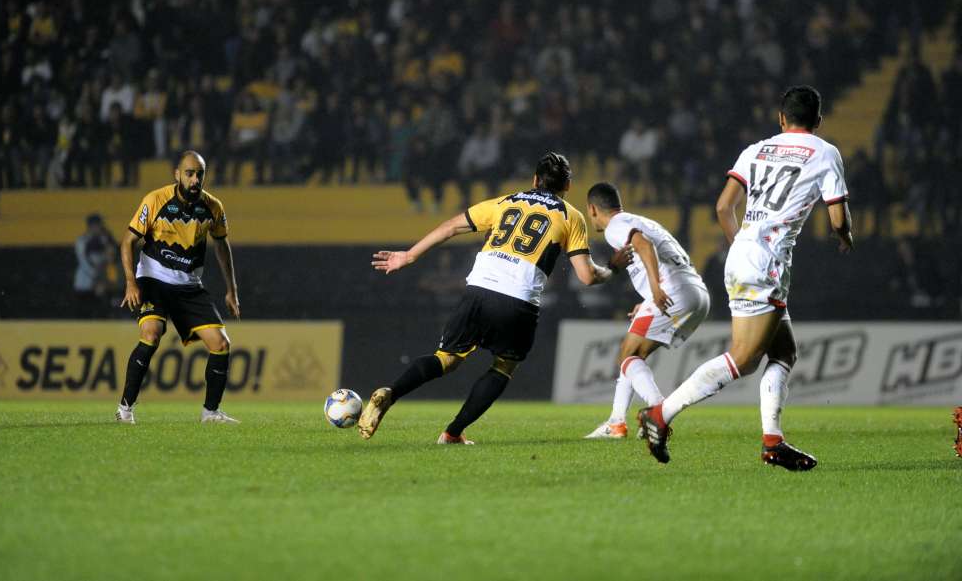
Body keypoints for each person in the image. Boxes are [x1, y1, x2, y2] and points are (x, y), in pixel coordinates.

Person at [637, 86, 852, 470]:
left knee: (784, 352)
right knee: (744, 358)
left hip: (743, 254)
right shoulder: (825, 152)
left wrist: (743, 247)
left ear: (781, 118)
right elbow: (837, 218)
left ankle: (773, 441)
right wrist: (845, 237)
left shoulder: (756, 149)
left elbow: (723, 206)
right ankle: (660, 414)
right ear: (818, 121)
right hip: (765, 262)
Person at [359, 152, 631, 444]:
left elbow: (450, 226)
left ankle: (392, 392)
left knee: (446, 358)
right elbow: (587, 277)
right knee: (503, 365)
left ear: (535, 180)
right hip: (519, 299)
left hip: (479, 288)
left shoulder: (505, 203)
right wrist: (613, 269)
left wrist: (409, 255)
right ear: (567, 187)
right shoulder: (570, 216)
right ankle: (452, 433)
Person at [116, 150, 242, 424]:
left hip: (189, 285)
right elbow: (127, 241)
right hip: (153, 279)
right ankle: (125, 408)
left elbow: (222, 245)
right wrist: (130, 282)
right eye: (189, 173)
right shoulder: (156, 200)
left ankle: (210, 413)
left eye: (200, 174)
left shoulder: (213, 207)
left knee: (221, 344)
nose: (195, 179)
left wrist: (231, 289)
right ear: (177, 174)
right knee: (151, 333)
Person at [582, 182, 710, 439]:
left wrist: (656, 286)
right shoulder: (643, 220)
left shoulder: (616, 226)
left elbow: (642, 245)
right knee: (631, 357)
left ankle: (658, 413)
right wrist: (651, 295)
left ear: (592, 209)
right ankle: (616, 423)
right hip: (696, 292)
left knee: (627, 356)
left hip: (672, 292)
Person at [73, 213, 116, 317]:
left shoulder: (104, 239)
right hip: (85, 284)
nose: (98, 228)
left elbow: (111, 259)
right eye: (95, 225)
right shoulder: (82, 241)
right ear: (90, 226)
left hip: (102, 283)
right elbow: (84, 262)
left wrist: (108, 243)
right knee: (84, 316)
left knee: (102, 316)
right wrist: (97, 279)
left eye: (99, 225)